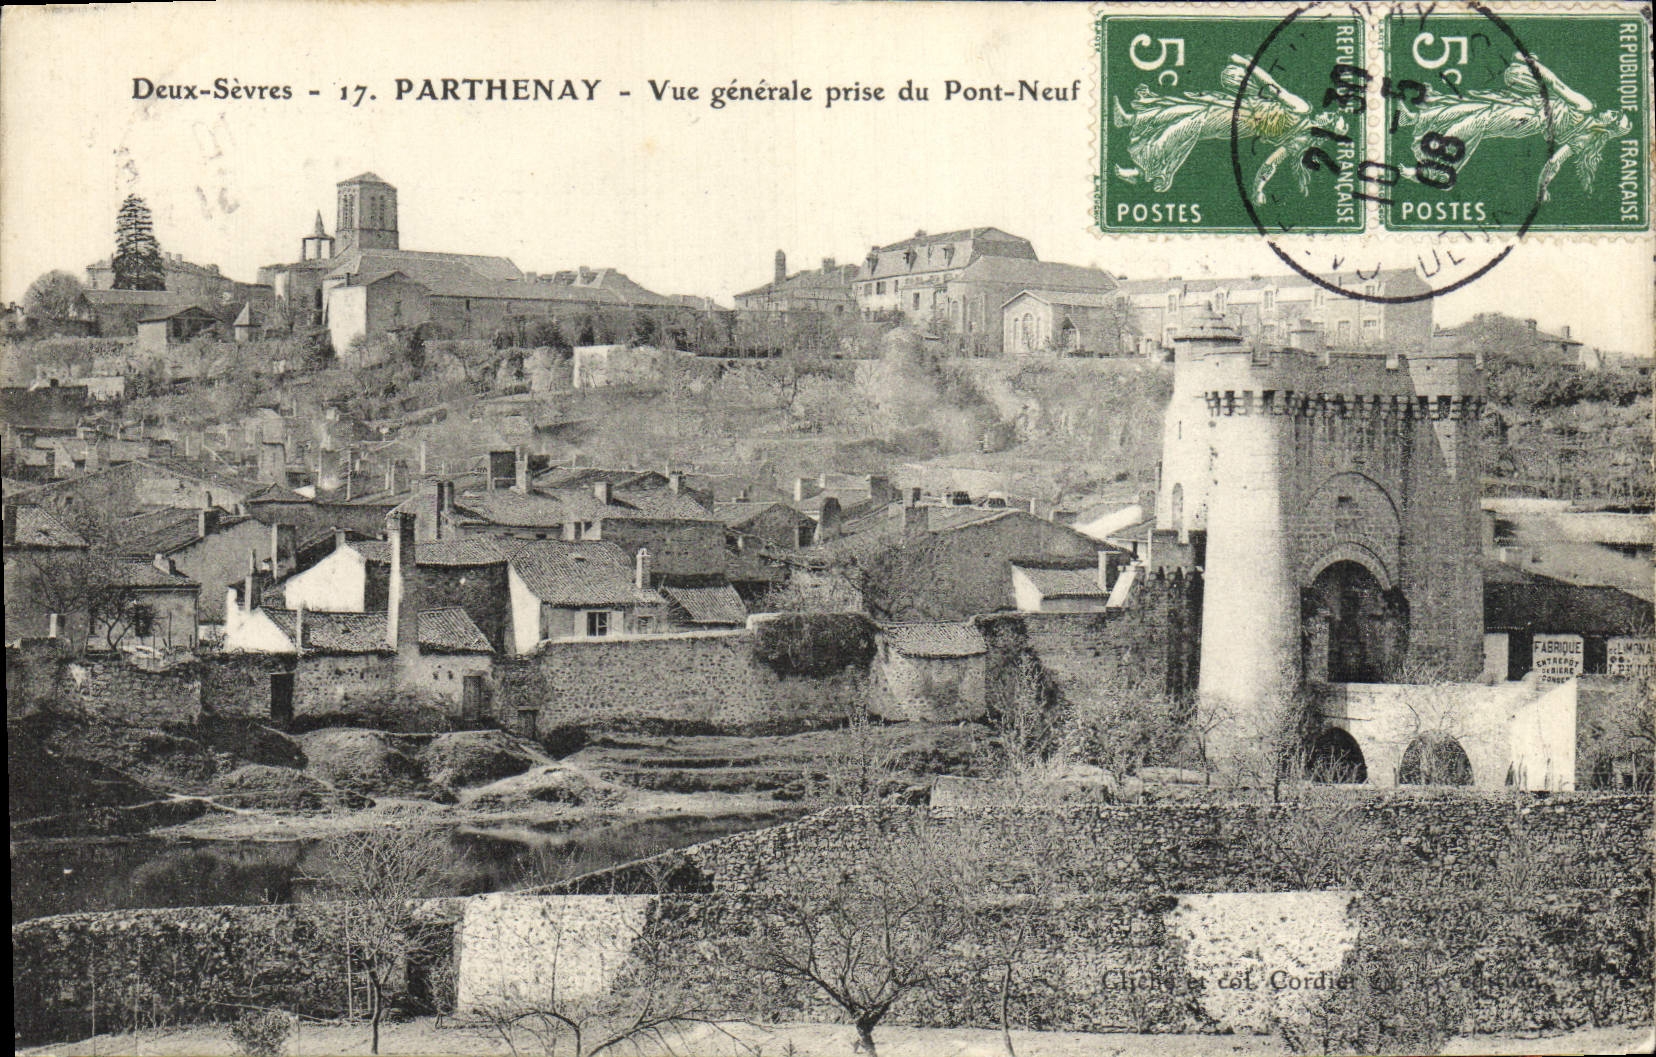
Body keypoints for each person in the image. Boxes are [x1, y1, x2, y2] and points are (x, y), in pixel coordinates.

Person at [1395, 55, 1632, 201]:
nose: (1611, 111)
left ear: (1610, 124)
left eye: (1615, 115)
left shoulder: (1586, 108)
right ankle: (1414, 119)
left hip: (1528, 117)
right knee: (1471, 106)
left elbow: (1556, 85)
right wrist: (1543, 188)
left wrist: (1533, 62)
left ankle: (1431, 173)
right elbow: (1555, 162)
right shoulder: (1585, 137)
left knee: (1478, 122)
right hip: (1527, 105)